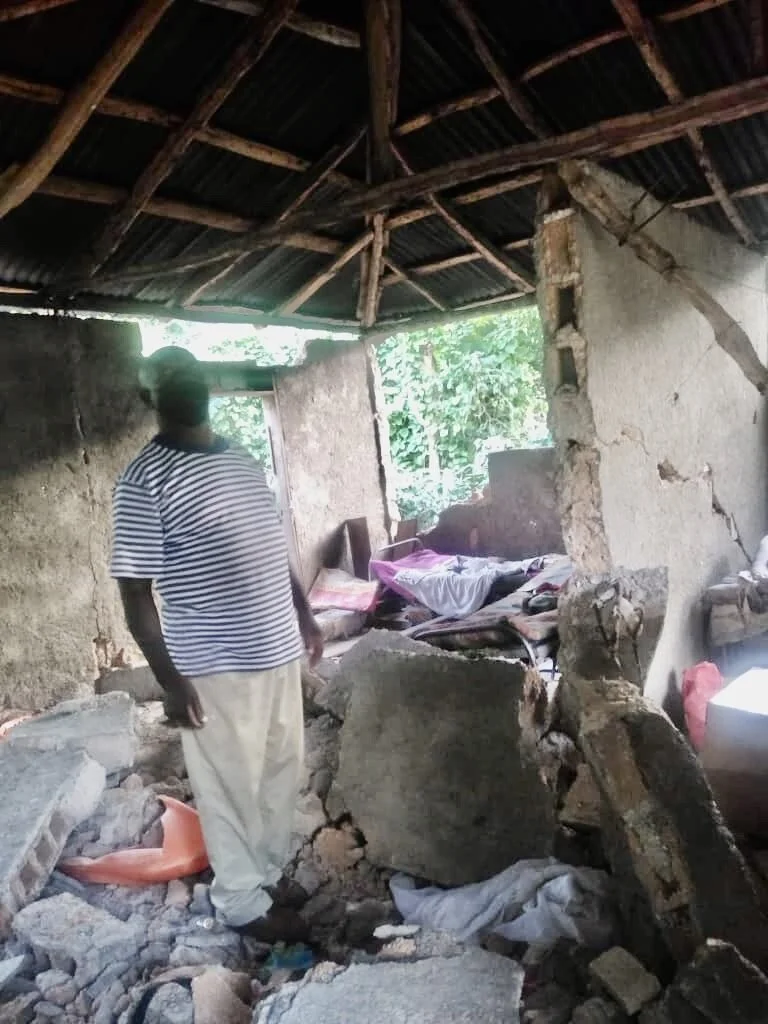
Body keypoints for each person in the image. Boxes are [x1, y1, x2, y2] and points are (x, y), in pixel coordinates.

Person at [110, 346, 323, 942]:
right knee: (229, 780)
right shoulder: (142, 481)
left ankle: (268, 871)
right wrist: (171, 682)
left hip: (277, 647)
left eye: (190, 372)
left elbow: (269, 545)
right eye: (168, 377)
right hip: (211, 663)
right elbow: (135, 596)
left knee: (281, 769)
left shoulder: (241, 460)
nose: (185, 382)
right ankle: (239, 901)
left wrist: (303, 616)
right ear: (150, 397)